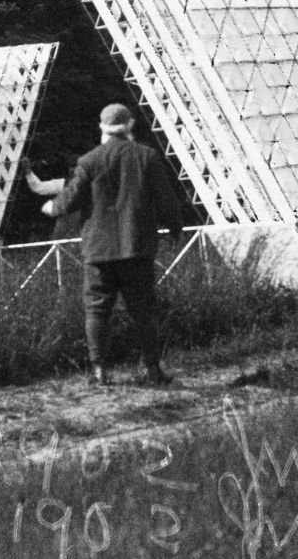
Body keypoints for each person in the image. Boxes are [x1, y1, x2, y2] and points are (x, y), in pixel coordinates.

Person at [36, 103, 183, 387]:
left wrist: (50, 207)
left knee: (97, 310)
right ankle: (153, 370)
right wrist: (175, 227)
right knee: (143, 311)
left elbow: (70, 200)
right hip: (136, 248)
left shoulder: (89, 161)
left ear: (102, 129)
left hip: (98, 251)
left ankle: (100, 372)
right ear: (130, 126)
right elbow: (166, 200)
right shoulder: (147, 157)